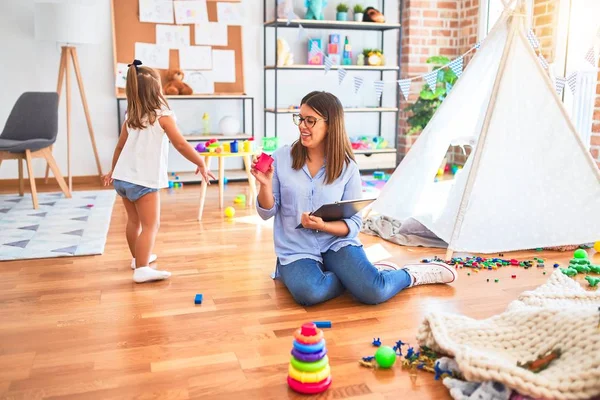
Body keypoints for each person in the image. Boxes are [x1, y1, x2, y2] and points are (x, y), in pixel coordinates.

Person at [252, 91, 457, 306]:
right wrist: (264, 185)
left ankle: (409, 275)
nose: (302, 125)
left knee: (374, 293)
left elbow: (354, 224)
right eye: (300, 119)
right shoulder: (281, 158)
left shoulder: (346, 166)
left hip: (336, 243)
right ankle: (361, 277)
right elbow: (267, 212)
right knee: (309, 293)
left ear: (330, 124)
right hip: (296, 249)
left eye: (310, 120)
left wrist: (323, 226)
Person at [103, 60, 215, 283]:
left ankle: (138, 258)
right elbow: (181, 144)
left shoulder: (130, 117)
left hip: (123, 179)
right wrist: (201, 163)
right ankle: (142, 268)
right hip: (144, 181)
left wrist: (112, 171)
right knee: (150, 226)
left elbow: (119, 147)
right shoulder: (162, 116)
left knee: (133, 222)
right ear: (157, 89)